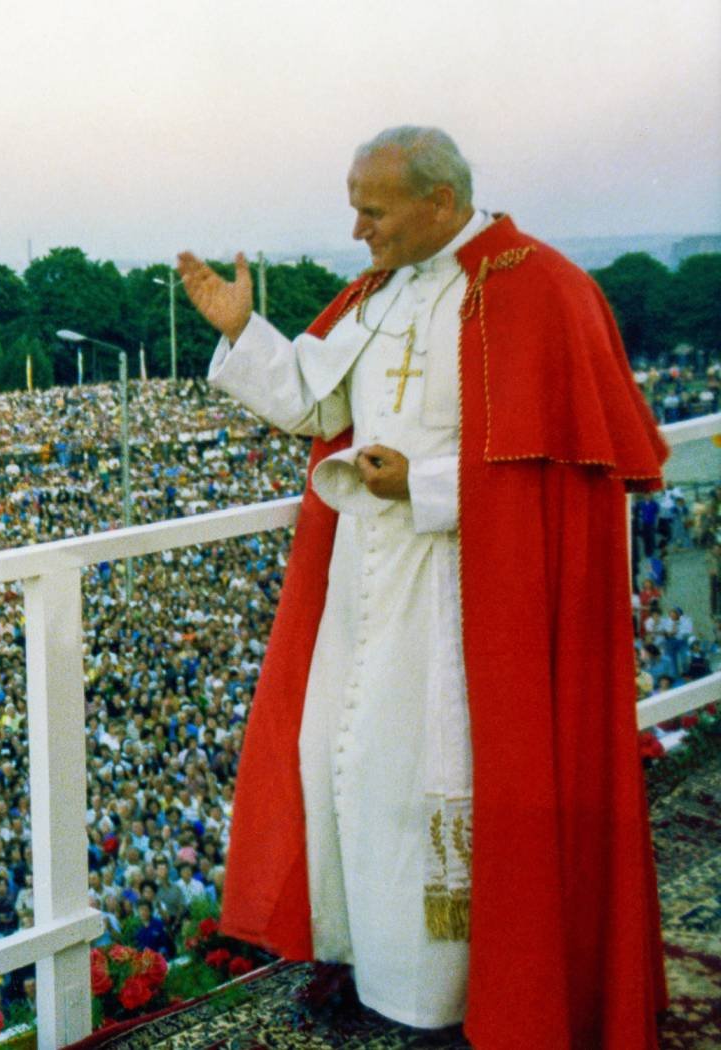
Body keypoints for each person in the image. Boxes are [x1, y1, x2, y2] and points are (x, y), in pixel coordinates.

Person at [176, 125, 668, 1048]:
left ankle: (446, 999)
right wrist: (243, 330)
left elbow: (568, 478)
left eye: (373, 208)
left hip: (469, 591)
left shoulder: (544, 287)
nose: (357, 228)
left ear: (438, 201)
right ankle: (370, 965)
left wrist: (428, 485)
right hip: (361, 580)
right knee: (349, 764)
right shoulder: (380, 289)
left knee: (428, 785)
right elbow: (313, 404)